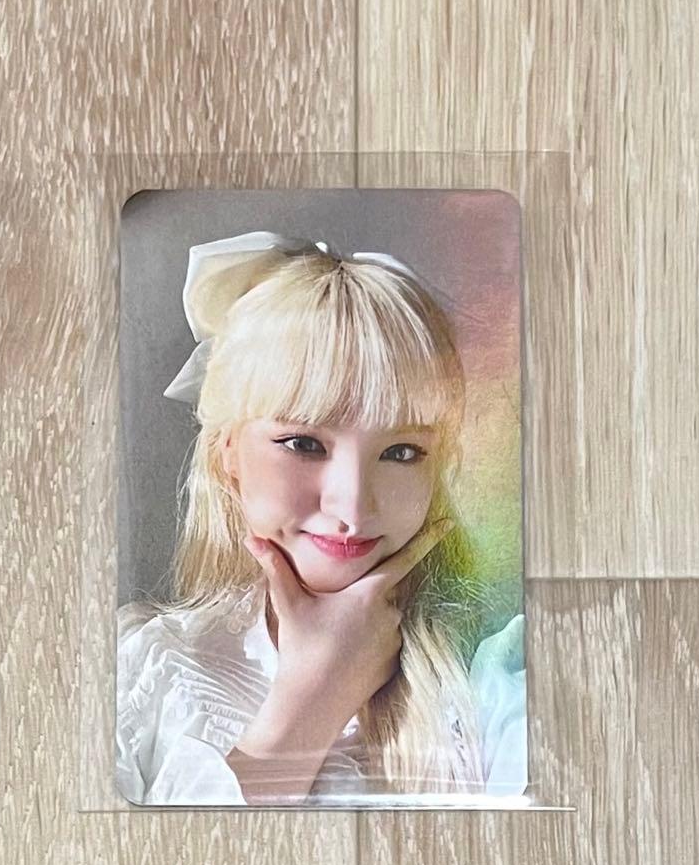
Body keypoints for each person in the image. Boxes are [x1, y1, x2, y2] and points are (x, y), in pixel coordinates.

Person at [116, 230, 527, 805]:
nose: (353, 507)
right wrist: (314, 697)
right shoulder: (141, 674)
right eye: (304, 444)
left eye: (401, 452)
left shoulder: (497, 673)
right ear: (228, 451)